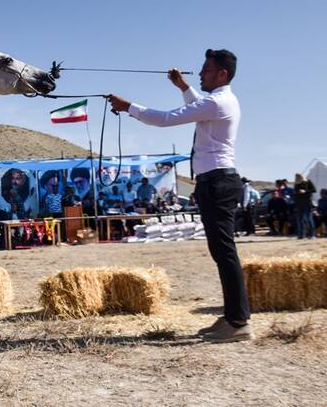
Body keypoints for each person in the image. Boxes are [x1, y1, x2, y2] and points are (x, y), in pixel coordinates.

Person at [108, 48, 252, 342]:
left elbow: (164, 119)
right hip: (216, 180)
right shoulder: (218, 101)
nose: (199, 73)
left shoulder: (217, 102)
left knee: (224, 253)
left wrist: (128, 107)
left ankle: (238, 322)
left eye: (206, 69)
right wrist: (183, 88)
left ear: (222, 73)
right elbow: (199, 106)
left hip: (218, 182)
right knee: (221, 252)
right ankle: (233, 318)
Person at [293, 173, 316, 239]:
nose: (298, 178)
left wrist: (305, 191)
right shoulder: (296, 184)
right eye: (296, 177)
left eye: (299, 176)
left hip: (307, 202)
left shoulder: (308, 182)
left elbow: (314, 190)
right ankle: (301, 235)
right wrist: (296, 193)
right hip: (299, 204)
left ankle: (312, 234)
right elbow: (295, 193)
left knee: (309, 218)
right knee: (300, 220)